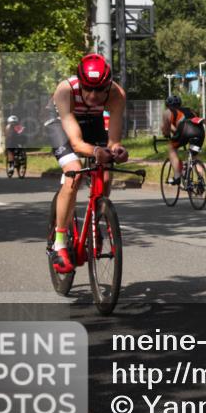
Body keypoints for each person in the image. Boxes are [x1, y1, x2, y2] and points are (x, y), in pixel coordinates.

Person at [44, 54, 129, 273]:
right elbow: (76, 143)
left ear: (108, 85)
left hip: (93, 120)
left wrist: (116, 149)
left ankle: (97, 219)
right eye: (87, 89)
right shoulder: (65, 91)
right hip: (61, 121)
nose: (93, 95)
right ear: (80, 83)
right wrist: (96, 151)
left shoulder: (116, 94)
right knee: (75, 172)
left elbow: (113, 140)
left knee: (106, 174)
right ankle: (59, 244)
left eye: (99, 90)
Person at [161, 94, 205, 185]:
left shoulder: (167, 112)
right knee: (195, 156)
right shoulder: (190, 110)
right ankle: (201, 181)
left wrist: (167, 134)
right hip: (200, 131)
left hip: (185, 130)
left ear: (167, 105)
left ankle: (177, 176)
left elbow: (166, 130)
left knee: (171, 148)